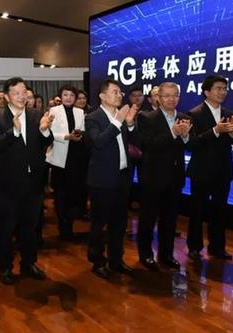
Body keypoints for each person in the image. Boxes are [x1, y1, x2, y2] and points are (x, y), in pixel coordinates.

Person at [0, 77, 54, 284]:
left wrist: (44, 130)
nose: (21, 96)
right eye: (16, 93)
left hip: (33, 182)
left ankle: (29, 263)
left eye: (24, 92)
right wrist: (15, 131)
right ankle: (5, 268)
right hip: (8, 185)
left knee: (30, 228)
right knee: (6, 229)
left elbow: (47, 141)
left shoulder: (36, 115)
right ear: (7, 97)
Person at [186, 74, 233, 261]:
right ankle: (194, 247)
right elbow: (191, 144)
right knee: (197, 212)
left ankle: (217, 247)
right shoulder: (194, 114)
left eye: (225, 89)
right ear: (206, 92)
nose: (223, 92)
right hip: (201, 172)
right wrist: (215, 131)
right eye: (218, 88)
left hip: (223, 171)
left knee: (220, 211)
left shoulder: (229, 114)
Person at [85, 79, 138, 278]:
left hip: (122, 177)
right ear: (102, 96)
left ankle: (116, 260)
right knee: (99, 224)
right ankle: (97, 261)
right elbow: (98, 142)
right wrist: (118, 121)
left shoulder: (122, 115)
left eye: (120, 92)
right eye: (115, 92)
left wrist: (130, 124)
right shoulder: (93, 118)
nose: (119, 95)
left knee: (119, 223)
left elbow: (136, 142)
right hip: (101, 179)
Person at [136, 82, 190, 271]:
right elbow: (148, 145)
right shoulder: (147, 117)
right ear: (158, 98)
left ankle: (166, 255)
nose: (171, 99)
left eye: (175, 95)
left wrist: (186, 137)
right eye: (166, 95)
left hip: (175, 178)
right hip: (153, 177)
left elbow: (191, 145)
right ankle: (145, 255)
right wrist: (173, 133)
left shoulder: (184, 118)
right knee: (148, 219)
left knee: (170, 220)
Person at [46, 85, 86, 240]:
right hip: (60, 158)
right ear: (60, 97)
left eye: (71, 95)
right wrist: (66, 136)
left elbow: (82, 130)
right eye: (65, 94)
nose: (68, 97)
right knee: (61, 195)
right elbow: (49, 133)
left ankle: (69, 223)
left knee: (74, 194)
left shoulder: (79, 112)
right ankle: (63, 226)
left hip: (76, 157)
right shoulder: (54, 111)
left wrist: (79, 135)